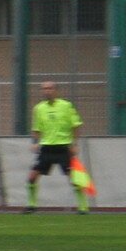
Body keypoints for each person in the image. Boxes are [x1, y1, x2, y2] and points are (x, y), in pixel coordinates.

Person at [25, 80, 88, 213]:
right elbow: (36, 129)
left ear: (56, 90)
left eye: (49, 88)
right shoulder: (39, 108)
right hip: (46, 147)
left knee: (74, 179)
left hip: (63, 147)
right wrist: (35, 143)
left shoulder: (66, 106)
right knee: (32, 177)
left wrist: (74, 144)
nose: (46, 91)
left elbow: (75, 125)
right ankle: (31, 205)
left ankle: (83, 207)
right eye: (44, 89)